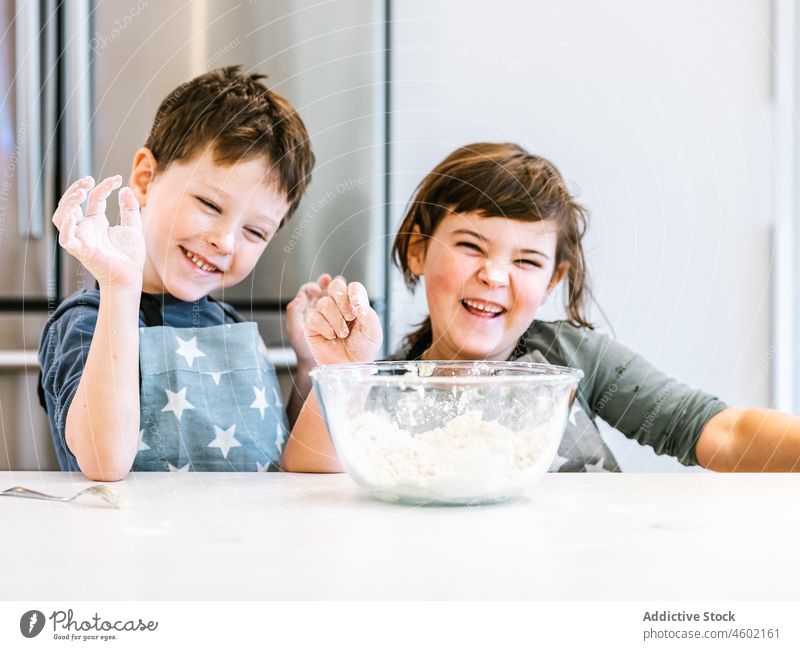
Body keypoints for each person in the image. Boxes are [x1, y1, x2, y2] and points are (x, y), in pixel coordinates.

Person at [282, 142, 800, 473]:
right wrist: (340, 372)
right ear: (418, 249)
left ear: (553, 279)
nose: (495, 275)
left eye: (527, 260)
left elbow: (721, 433)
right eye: (470, 246)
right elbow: (307, 485)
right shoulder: (380, 387)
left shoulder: (573, 359)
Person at [38, 65, 322, 480]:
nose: (225, 241)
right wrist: (121, 288)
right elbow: (102, 460)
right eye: (210, 204)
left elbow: (286, 468)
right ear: (146, 179)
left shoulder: (231, 328)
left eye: (255, 231)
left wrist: (310, 366)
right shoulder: (86, 322)